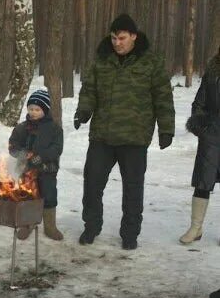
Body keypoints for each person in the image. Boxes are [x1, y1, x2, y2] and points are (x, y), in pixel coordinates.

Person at [74, 14, 175, 250]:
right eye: (113, 38)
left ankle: (130, 233)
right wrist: (84, 111)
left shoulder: (150, 62)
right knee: (92, 183)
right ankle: (91, 226)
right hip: (102, 136)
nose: (116, 43)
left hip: (134, 137)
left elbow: (163, 96)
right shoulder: (102, 60)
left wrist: (166, 129)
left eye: (121, 38)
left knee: (132, 188)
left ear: (133, 37)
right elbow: (89, 89)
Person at [9, 88, 64, 241]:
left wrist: (40, 158)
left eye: (37, 109)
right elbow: (13, 146)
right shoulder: (22, 128)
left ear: (45, 111)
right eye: (31, 109)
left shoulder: (54, 129)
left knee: (49, 195)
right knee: (28, 196)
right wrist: (23, 154)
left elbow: (56, 149)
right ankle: (28, 224)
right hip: (26, 170)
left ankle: (50, 226)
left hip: (47, 170)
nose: (33, 112)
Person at [179, 47, 220, 245]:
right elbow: (199, 102)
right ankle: (196, 228)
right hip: (212, 135)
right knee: (203, 181)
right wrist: (201, 128)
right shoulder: (213, 72)